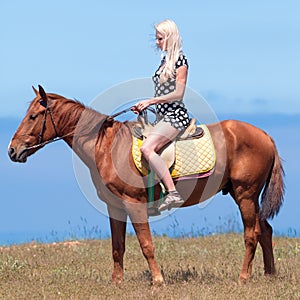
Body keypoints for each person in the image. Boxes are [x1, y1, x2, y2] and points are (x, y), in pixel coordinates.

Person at [132, 19, 190, 211]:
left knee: (147, 149)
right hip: (161, 116)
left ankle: (173, 193)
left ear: (170, 38)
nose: (157, 43)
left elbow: (178, 94)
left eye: (159, 38)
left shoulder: (181, 61)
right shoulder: (164, 61)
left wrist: (150, 101)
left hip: (175, 115)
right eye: (156, 39)